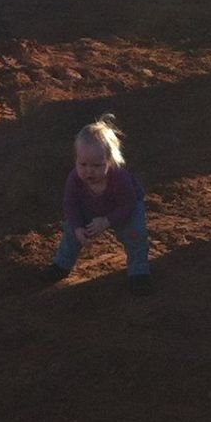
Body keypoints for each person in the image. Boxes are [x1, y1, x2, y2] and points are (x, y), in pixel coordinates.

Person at [46, 114, 152, 293]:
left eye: (96, 166)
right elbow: (70, 205)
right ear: (76, 160)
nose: (89, 171)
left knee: (136, 234)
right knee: (71, 230)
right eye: (83, 164)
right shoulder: (74, 179)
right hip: (92, 206)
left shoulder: (120, 178)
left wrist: (107, 221)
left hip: (125, 207)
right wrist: (79, 227)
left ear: (109, 162)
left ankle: (139, 271)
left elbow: (128, 204)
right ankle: (61, 265)